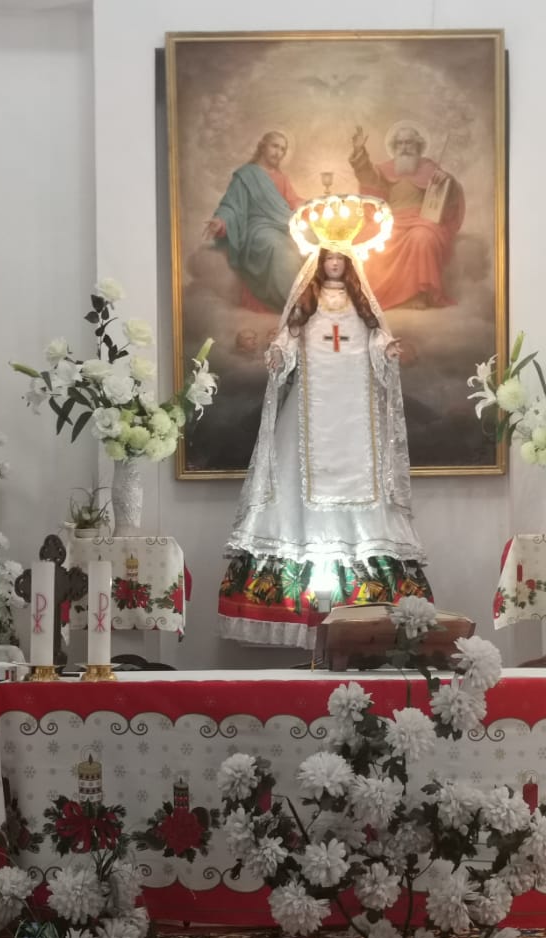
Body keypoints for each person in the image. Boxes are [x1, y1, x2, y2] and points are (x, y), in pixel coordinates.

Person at [218, 247, 431, 647]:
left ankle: (367, 607)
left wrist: (386, 350)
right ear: (318, 264)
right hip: (308, 416)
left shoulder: (361, 306)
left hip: (357, 416)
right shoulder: (308, 303)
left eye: (340, 260)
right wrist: (278, 352)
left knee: (366, 485)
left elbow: (378, 340)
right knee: (293, 489)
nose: (334, 265)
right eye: (329, 259)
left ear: (349, 265)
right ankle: (305, 612)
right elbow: (289, 339)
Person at [348, 123, 464, 310]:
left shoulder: (429, 167)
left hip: (421, 221)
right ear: (394, 147)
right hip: (392, 221)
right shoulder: (385, 169)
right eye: (400, 143)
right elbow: (367, 175)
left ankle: (419, 294)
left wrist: (446, 180)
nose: (404, 147)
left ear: (418, 146)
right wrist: (359, 151)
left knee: (422, 238)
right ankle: (375, 294)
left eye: (409, 143)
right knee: (370, 240)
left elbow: (450, 194)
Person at [204, 131, 306, 312]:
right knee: (279, 249)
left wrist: (309, 206)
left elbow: (292, 202)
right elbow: (231, 205)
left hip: (283, 225)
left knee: (309, 242)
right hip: (258, 229)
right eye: (275, 146)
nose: (279, 153)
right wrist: (221, 221)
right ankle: (294, 305)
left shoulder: (282, 178)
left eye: (283, 149)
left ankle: (310, 301)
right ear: (263, 146)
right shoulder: (246, 175)